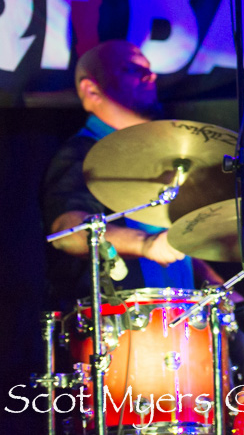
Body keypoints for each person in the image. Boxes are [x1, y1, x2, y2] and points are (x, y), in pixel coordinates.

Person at [42, 40, 225, 311]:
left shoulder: (161, 156)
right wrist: (145, 244)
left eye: (149, 69)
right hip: (126, 325)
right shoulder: (81, 153)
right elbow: (67, 231)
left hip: (183, 321)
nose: (151, 77)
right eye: (132, 69)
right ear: (91, 90)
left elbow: (169, 242)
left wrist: (217, 286)